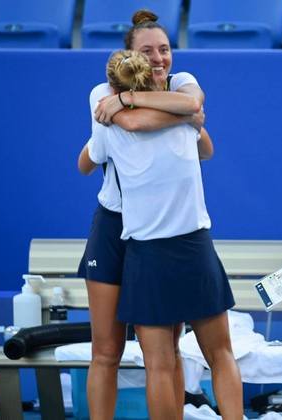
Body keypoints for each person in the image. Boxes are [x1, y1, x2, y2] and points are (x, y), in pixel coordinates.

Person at [78, 49, 243, 420]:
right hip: (127, 230)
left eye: (164, 49)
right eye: (148, 51)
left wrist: (123, 107)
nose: (158, 58)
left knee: (165, 357)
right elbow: (187, 119)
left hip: (154, 243)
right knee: (116, 352)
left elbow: (92, 157)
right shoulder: (180, 113)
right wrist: (181, 117)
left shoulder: (174, 96)